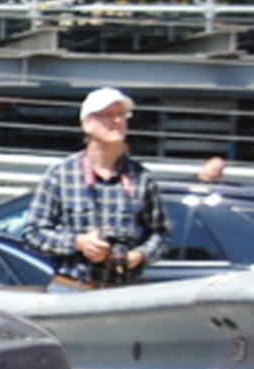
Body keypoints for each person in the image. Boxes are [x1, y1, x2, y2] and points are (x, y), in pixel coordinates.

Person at [24, 87, 168, 289]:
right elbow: (33, 234)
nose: (117, 121)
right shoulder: (61, 175)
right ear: (87, 124)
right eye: (108, 115)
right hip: (71, 291)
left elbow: (160, 235)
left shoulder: (141, 178)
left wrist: (140, 255)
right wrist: (78, 242)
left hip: (122, 293)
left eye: (121, 115)